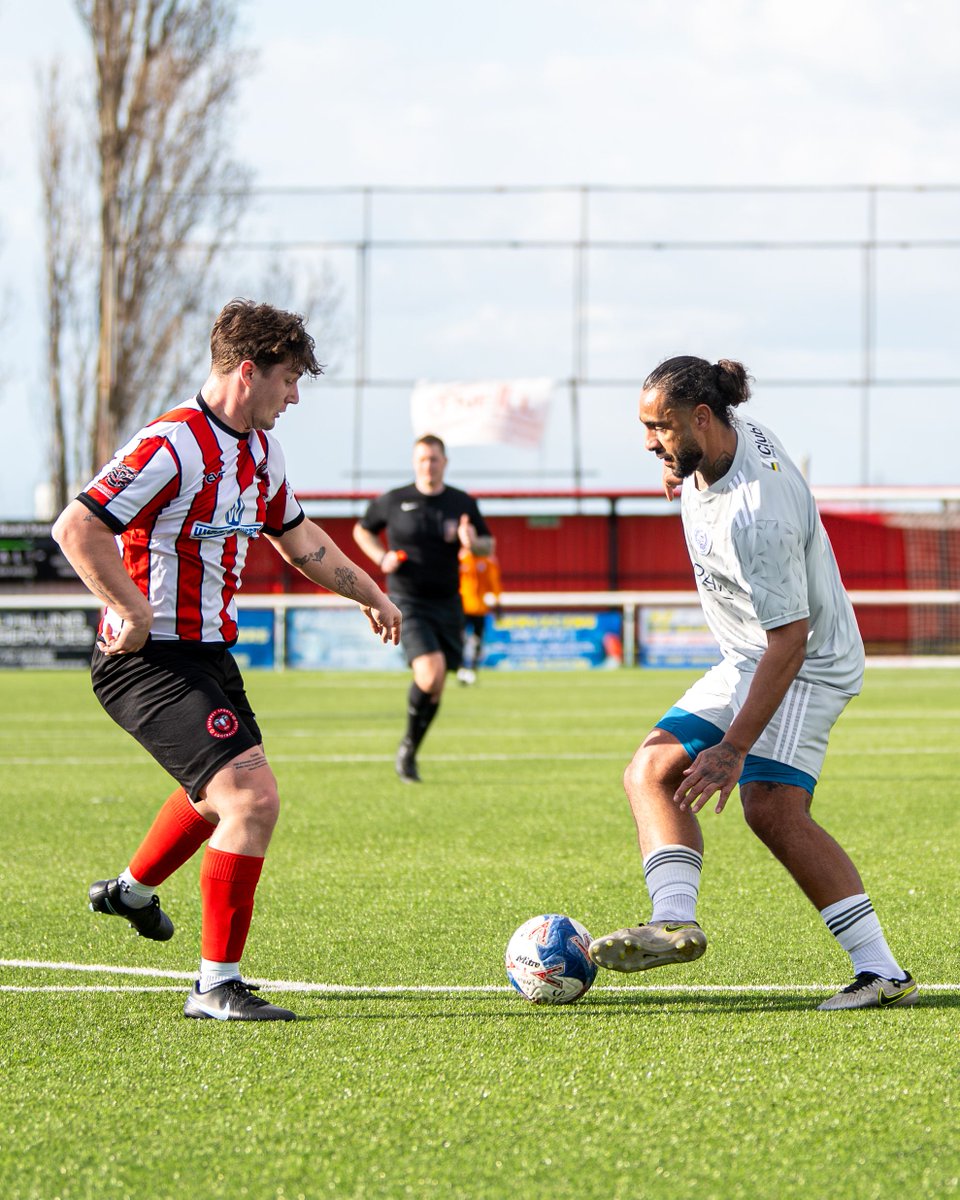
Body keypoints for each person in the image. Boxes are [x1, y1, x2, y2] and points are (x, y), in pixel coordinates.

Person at [52, 299, 402, 1022]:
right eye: (289, 379)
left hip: (209, 655)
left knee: (219, 797)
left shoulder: (261, 453)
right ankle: (215, 986)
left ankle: (132, 892)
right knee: (251, 798)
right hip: (144, 660)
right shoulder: (171, 443)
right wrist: (132, 609)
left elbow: (299, 540)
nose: (294, 396)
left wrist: (369, 592)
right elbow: (77, 526)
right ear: (249, 371)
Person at [588, 356, 917, 1011]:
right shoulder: (723, 439)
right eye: (647, 427)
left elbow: (790, 641)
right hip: (747, 654)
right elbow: (699, 455)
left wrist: (733, 748)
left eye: (660, 428)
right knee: (650, 770)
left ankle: (882, 973)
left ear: (701, 418)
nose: (649, 442)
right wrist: (675, 461)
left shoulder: (756, 517)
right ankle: (673, 920)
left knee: (769, 805)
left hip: (807, 662)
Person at [352, 435, 492, 782]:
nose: (428, 465)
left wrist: (472, 542)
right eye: (422, 459)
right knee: (430, 673)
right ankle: (407, 748)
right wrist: (381, 557)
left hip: (448, 602)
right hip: (407, 602)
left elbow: (488, 545)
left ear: (445, 462)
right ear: (415, 463)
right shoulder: (394, 499)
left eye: (434, 459)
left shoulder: (461, 502)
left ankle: (411, 747)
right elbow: (362, 531)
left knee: (437, 683)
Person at [456, 541, 502, 685]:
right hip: (462, 608)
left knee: (477, 640)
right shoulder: (462, 560)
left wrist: (497, 604)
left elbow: (494, 584)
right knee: (460, 639)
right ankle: (461, 668)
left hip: (479, 609)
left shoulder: (487, 562)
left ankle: (473, 669)